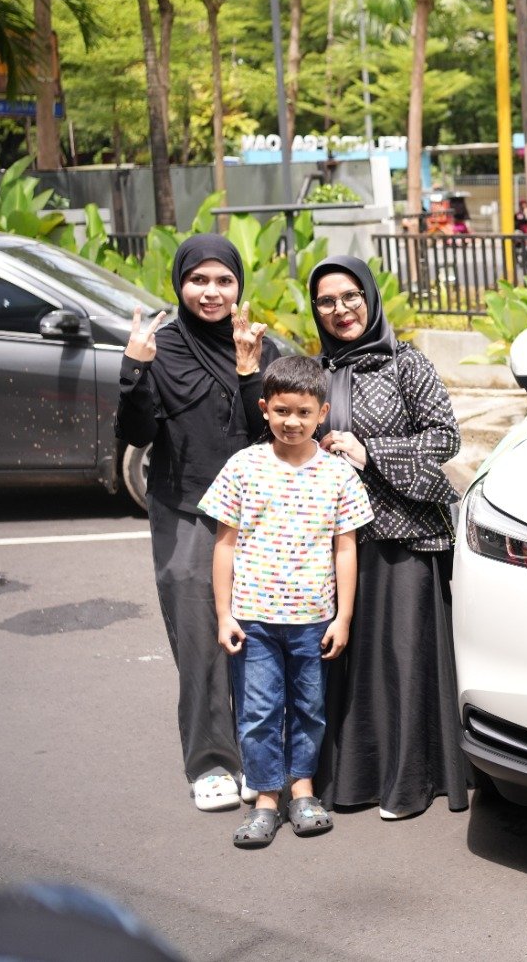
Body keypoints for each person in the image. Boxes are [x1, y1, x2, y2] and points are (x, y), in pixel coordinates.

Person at [115, 233, 278, 812]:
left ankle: (262, 756)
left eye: (224, 280)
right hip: (185, 509)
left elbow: (272, 434)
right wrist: (135, 372)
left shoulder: (256, 343)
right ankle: (210, 764)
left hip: (257, 514)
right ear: (180, 283)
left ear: (238, 285)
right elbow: (137, 434)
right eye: (198, 280)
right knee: (199, 638)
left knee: (262, 636)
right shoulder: (159, 347)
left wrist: (250, 371)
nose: (211, 292)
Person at [308, 254, 469, 818]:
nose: (341, 310)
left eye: (351, 296)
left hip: (406, 538)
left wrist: (370, 451)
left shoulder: (406, 363)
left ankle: (409, 784)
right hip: (338, 543)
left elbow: (446, 438)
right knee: (350, 666)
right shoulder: (315, 373)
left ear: (369, 297)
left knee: (404, 660)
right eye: (327, 301)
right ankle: (354, 780)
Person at [200, 356, 372, 847]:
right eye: (281, 411)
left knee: (309, 709)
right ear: (264, 409)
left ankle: (303, 791)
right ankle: (265, 799)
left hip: (313, 621)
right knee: (258, 712)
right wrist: (224, 614)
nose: (291, 422)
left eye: (303, 412)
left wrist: (343, 617)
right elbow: (225, 544)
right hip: (253, 619)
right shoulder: (244, 467)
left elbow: (346, 549)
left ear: (322, 413)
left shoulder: (338, 475)